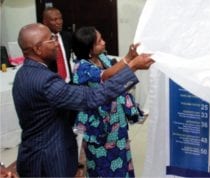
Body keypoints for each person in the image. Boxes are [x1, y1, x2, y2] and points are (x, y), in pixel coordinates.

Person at [12, 23, 154, 177]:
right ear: (37, 49)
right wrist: (133, 66)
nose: (56, 44)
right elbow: (92, 97)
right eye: (51, 40)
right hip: (49, 156)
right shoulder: (45, 80)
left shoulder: (24, 73)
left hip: (37, 152)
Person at [72, 26, 146, 177]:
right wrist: (132, 63)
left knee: (122, 160)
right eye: (99, 41)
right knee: (102, 165)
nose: (104, 42)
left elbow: (116, 71)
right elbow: (106, 76)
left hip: (116, 122)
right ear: (89, 49)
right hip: (99, 126)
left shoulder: (102, 57)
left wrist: (129, 56)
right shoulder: (81, 67)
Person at [42, 7, 73, 82]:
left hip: (69, 82)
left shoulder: (67, 36)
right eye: (55, 20)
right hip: (52, 84)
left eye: (60, 19)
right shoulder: (42, 41)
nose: (59, 22)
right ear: (45, 22)